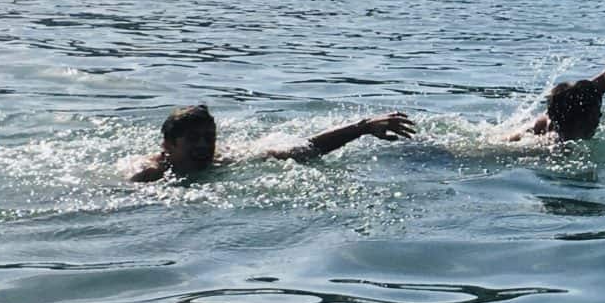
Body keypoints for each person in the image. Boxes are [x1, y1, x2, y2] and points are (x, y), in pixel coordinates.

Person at [126, 102, 416, 182]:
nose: (203, 146)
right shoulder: (149, 173)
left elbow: (307, 149)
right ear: (168, 144)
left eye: (209, 138)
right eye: (193, 140)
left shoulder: (224, 159)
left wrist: (361, 128)